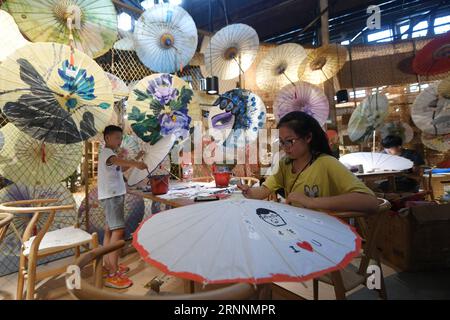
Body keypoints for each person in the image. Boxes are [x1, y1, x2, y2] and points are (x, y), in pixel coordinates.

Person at [237, 111, 379, 213]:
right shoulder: (285, 164)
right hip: (298, 230)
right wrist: (249, 192)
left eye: (290, 141)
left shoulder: (326, 163)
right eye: (281, 142)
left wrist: (311, 202)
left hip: (323, 235)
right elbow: (264, 190)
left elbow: (370, 202)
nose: (285, 147)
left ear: (308, 137)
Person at [98, 125, 148, 289]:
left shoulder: (111, 154)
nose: (120, 141)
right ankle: (112, 274)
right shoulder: (107, 153)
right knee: (118, 231)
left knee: (110, 230)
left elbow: (121, 167)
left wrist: (138, 158)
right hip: (112, 196)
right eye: (117, 138)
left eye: (120, 138)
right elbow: (116, 161)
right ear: (107, 138)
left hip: (111, 195)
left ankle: (109, 265)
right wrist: (136, 163)